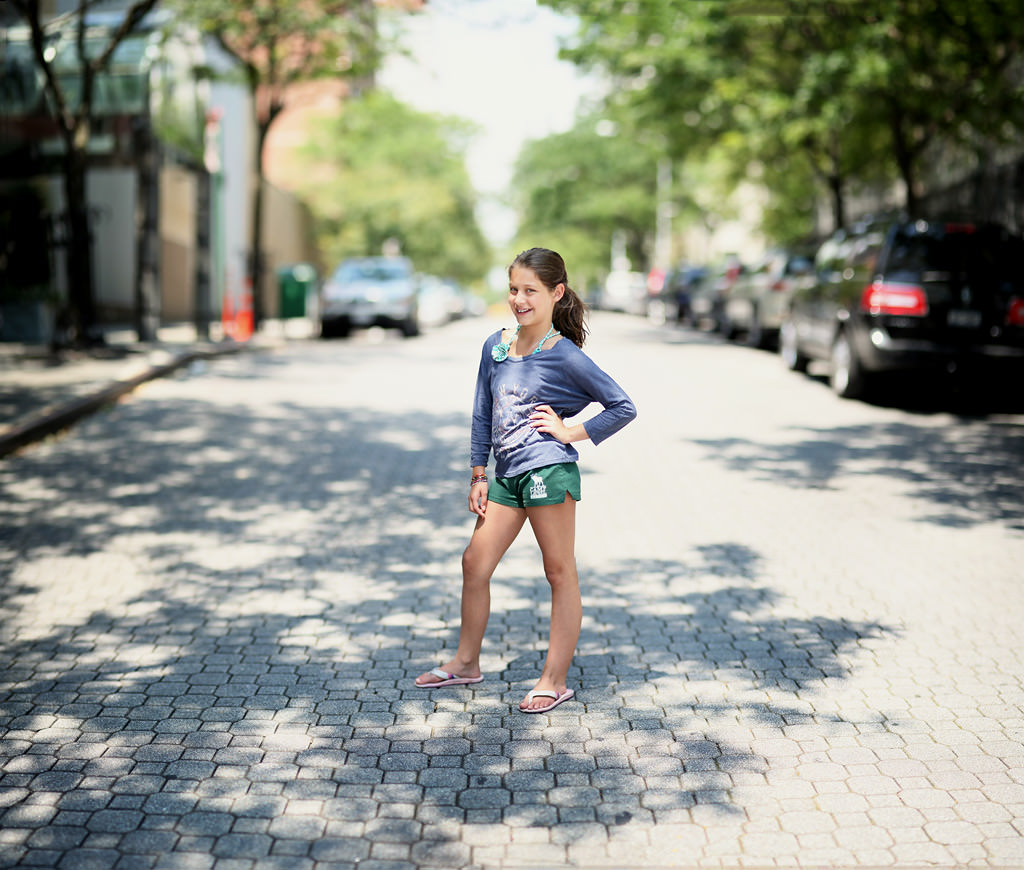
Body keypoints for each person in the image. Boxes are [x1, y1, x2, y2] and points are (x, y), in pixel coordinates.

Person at [415, 247, 637, 713]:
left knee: (558, 570)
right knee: (474, 562)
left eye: (530, 291)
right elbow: (482, 409)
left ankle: (553, 680)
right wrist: (479, 471)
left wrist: (572, 430)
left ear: (556, 294)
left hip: (547, 470)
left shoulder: (565, 355)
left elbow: (622, 406)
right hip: (505, 475)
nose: (519, 299)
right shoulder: (496, 344)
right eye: (513, 289)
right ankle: (465, 662)